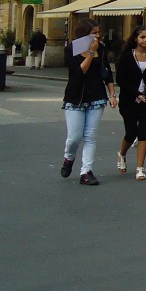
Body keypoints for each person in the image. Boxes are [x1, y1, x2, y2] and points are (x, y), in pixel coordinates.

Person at [59, 19, 116, 186]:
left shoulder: (102, 49)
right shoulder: (72, 49)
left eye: (99, 32)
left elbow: (107, 73)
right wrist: (91, 53)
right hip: (75, 97)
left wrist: (112, 94)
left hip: (96, 96)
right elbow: (79, 72)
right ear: (84, 34)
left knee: (90, 136)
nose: (97, 36)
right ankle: (69, 158)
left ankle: (86, 171)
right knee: (74, 137)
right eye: (94, 33)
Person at [115, 25, 146, 181]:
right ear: (136, 38)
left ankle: (140, 168)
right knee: (131, 132)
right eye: (142, 37)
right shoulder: (126, 56)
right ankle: (122, 154)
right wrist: (136, 93)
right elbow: (121, 80)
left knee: (143, 133)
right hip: (129, 100)